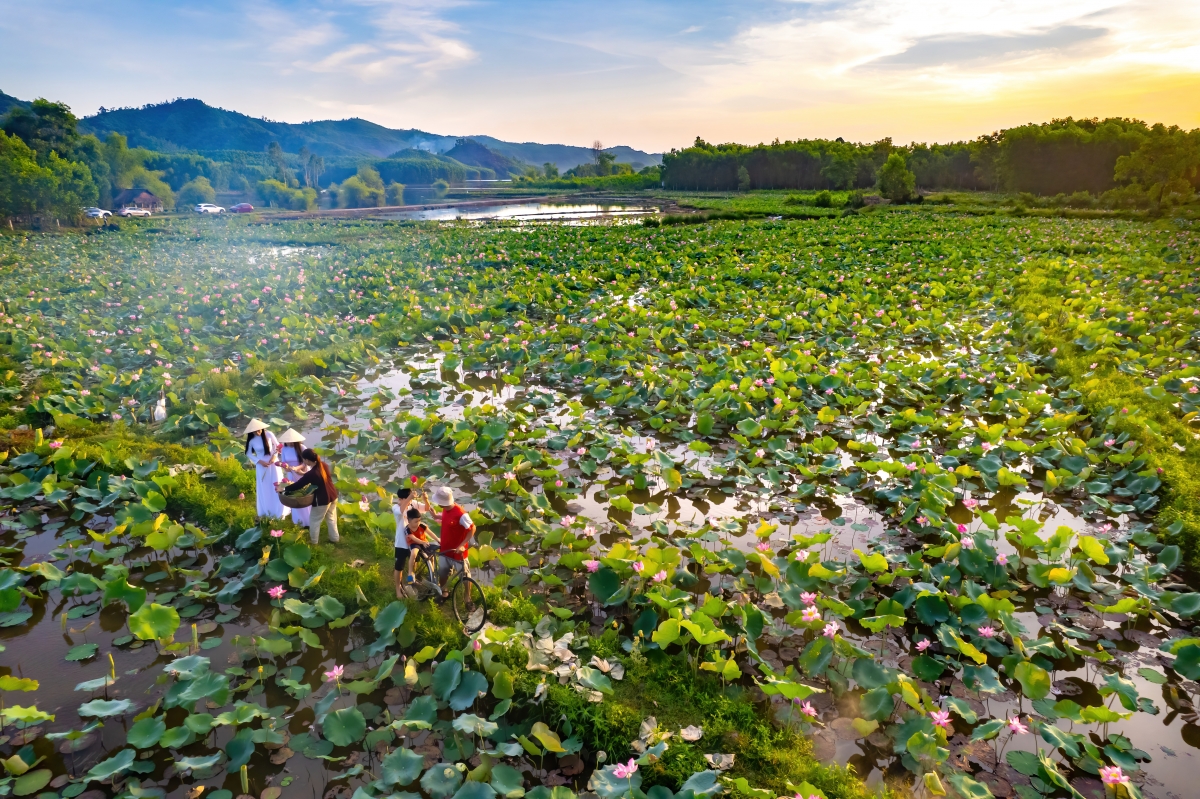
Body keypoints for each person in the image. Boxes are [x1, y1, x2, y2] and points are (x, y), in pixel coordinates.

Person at [283, 448, 340, 545]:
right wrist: (303, 474)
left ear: (307, 460)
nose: (303, 461)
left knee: (314, 521)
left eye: (304, 460)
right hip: (333, 496)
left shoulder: (312, 474)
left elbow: (298, 485)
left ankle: (314, 543)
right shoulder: (324, 465)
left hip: (322, 500)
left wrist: (284, 489)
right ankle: (335, 539)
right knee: (331, 518)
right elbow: (316, 477)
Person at [431, 486, 475, 597]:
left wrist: (461, 545)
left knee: (465, 576)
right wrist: (436, 516)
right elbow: (448, 519)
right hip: (445, 549)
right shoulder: (445, 509)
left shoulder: (461, 514)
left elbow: (472, 528)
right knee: (443, 572)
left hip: (458, 553)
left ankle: (467, 596)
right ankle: (444, 591)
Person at [393, 488, 436, 597]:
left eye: (410, 499)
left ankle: (412, 581)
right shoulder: (396, 507)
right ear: (401, 499)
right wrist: (409, 498)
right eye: (407, 499)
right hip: (402, 542)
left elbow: (426, 508)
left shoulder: (413, 504)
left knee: (415, 561)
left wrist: (426, 499)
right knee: (399, 566)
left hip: (414, 541)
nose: (410, 501)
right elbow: (402, 511)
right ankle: (398, 589)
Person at [244, 419, 285, 520]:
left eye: (259, 430)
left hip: (273, 464)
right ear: (251, 431)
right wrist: (259, 461)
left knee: (276, 485)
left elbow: (278, 446)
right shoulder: (252, 440)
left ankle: (280, 510)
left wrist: (274, 456)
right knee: (265, 487)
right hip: (261, 466)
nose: (258, 432)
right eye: (255, 431)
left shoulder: (269, 434)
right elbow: (248, 453)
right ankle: (267, 510)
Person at [276, 428, 310, 528]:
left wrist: (297, 468)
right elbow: (284, 462)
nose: (290, 443)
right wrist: (285, 467)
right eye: (288, 441)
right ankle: (298, 520)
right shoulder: (284, 449)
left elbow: (305, 462)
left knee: (304, 495)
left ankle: (308, 520)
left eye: (292, 442)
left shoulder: (302, 447)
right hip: (291, 474)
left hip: (302, 473)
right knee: (294, 495)